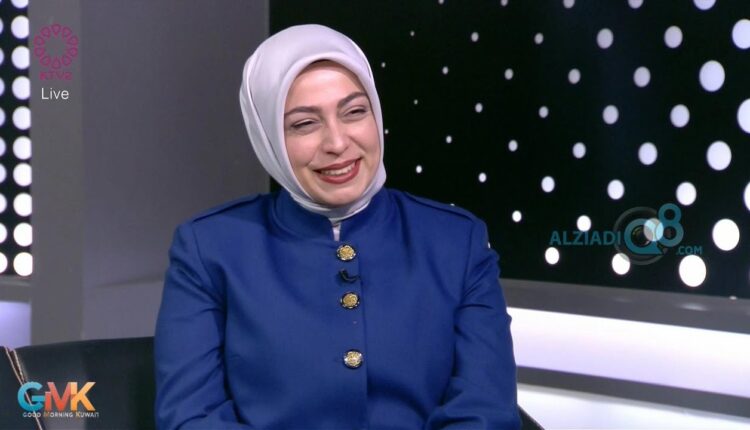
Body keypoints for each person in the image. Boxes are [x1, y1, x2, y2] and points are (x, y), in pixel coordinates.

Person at [154, 24, 520, 430]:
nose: (337, 143)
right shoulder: (209, 249)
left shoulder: (457, 241)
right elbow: (192, 418)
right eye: (304, 124)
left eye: (354, 112)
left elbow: (485, 412)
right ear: (268, 137)